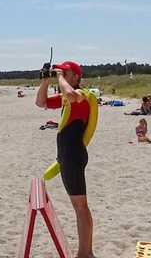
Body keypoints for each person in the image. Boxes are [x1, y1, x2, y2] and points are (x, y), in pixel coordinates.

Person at [36, 60, 96, 258]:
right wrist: (46, 80)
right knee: (79, 206)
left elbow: (71, 95)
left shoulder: (81, 95)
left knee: (80, 207)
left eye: (65, 72)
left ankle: (85, 254)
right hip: (67, 156)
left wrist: (59, 77)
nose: (60, 73)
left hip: (73, 156)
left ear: (76, 77)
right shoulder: (65, 98)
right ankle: (86, 252)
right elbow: (41, 102)